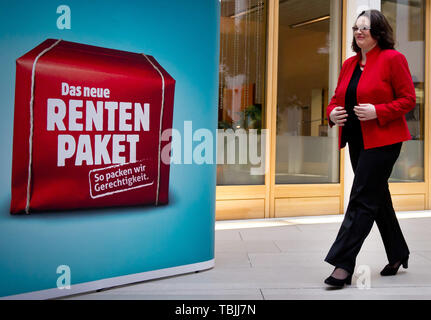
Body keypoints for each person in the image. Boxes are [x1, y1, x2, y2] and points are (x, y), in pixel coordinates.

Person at [324, 9, 416, 287]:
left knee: (362, 197)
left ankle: (343, 263)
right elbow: (336, 99)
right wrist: (331, 114)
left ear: (378, 32)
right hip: (357, 139)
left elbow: (408, 99)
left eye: (365, 27)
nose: (359, 32)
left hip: (385, 140)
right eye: (355, 28)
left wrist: (379, 111)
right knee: (377, 197)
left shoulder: (393, 59)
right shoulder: (349, 64)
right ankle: (399, 252)